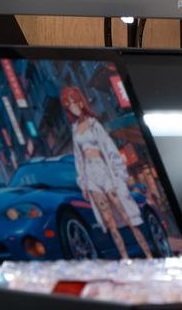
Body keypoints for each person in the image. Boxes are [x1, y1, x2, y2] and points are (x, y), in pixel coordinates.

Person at [59, 85, 153, 260]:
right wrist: (83, 184)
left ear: (80, 102)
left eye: (74, 102)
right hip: (90, 175)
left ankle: (148, 255)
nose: (72, 107)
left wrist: (120, 175)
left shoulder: (94, 124)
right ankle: (125, 259)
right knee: (110, 223)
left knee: (127, 217)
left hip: (104, 170)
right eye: (68, 105)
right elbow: (79, 159)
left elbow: (110, 149)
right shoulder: (74, 130)